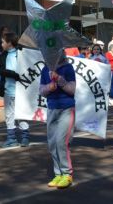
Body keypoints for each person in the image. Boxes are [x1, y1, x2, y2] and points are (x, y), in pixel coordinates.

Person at [39, 51, 76, 189]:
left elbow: (72, 89)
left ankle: (67, 174)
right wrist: (49, 87)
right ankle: (58, 174)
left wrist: (60, 80)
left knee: (61, 141)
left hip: (67, 108)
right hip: (52, 109)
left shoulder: (68, 68)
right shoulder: (44, 69)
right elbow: (41, 90)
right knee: (52, 143)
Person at [0, 32, 30, 147]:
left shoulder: (22, 53)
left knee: (21, 114)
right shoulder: (2, 56)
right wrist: (13, 74)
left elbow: (28, 69)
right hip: (8, 91)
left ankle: (25, 137)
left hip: (21, 91)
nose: (1, 44)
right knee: (9, 115)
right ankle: (12, 138)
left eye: (3, 42)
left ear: (9, 43)